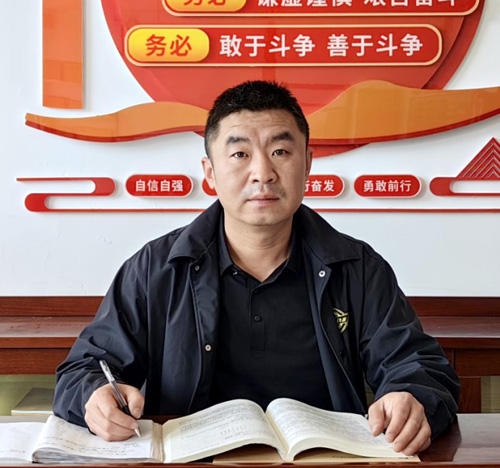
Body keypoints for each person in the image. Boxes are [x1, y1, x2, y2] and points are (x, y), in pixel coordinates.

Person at [54, 80, 460, 456]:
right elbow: (85, 369)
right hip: (195, 462)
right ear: (210, 172)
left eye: (280, 151)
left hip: (325, 461)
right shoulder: (156, 268)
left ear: (308, 163)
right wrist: (94, 396)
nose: (263, 173)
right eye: (240, 154)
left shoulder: (357, 268)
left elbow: (417, 364)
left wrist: (413, 397)